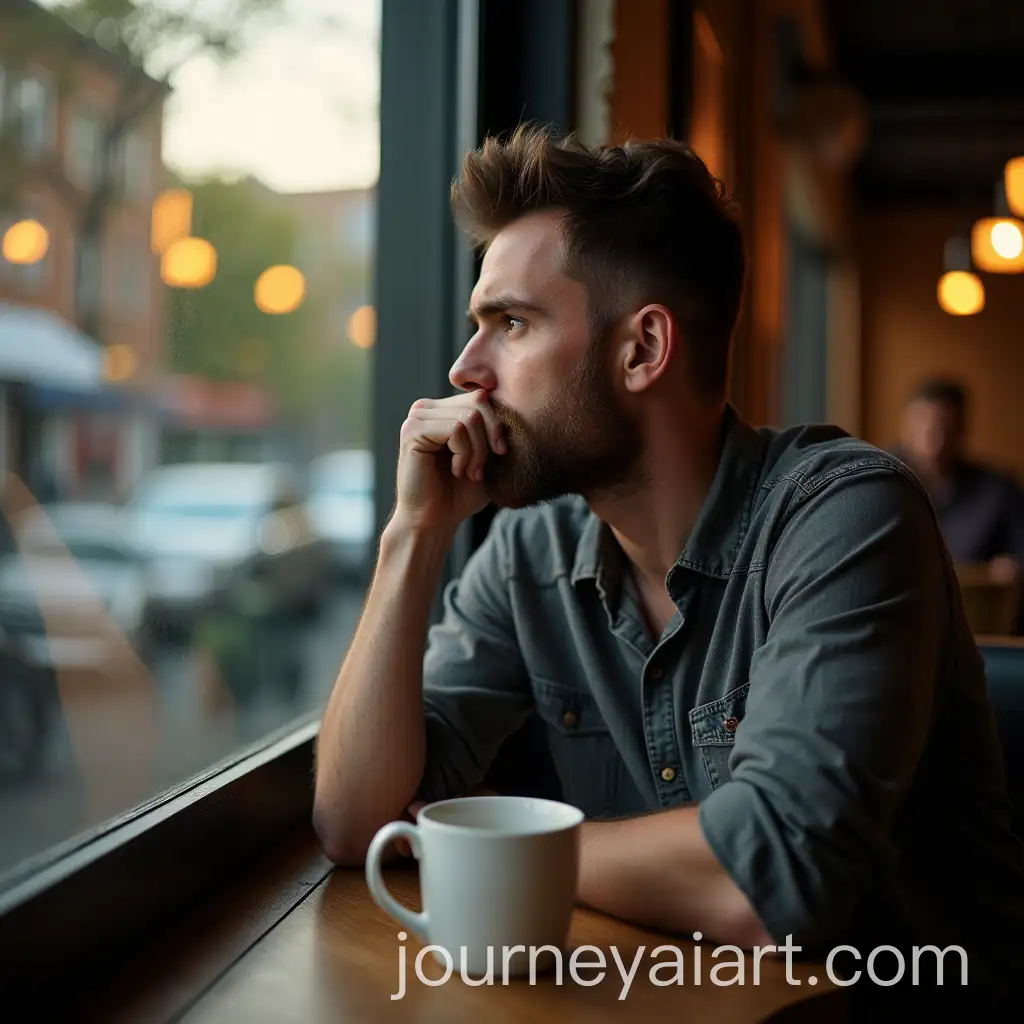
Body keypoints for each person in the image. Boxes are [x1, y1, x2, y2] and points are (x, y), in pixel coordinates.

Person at [312, 126, 1024, 1009]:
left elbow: (771, 883)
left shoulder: (849, 516)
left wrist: (490, 843)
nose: (465, 371)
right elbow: (356, 821)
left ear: (643, 350)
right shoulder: (529, 556)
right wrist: (411, 539)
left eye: (512, 324)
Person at [892, 378, 1024, 585]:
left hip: (976, 608)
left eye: (946, 428)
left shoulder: (999, 491)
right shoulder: (878, 483)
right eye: (925, 427)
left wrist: (1012, 568)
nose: (935, 443)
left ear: (962, 430)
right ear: (905, 426)